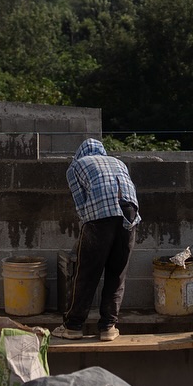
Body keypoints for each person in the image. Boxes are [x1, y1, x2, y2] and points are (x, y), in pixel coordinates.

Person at [55, 138, 140, 342]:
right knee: (117, 273)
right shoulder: (118, 162)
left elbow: (81, 205)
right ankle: (108, 327)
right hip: (130, 215)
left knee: (86, 273)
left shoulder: (76, 166)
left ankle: (73, 326)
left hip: (101, 217)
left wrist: (87, 234)